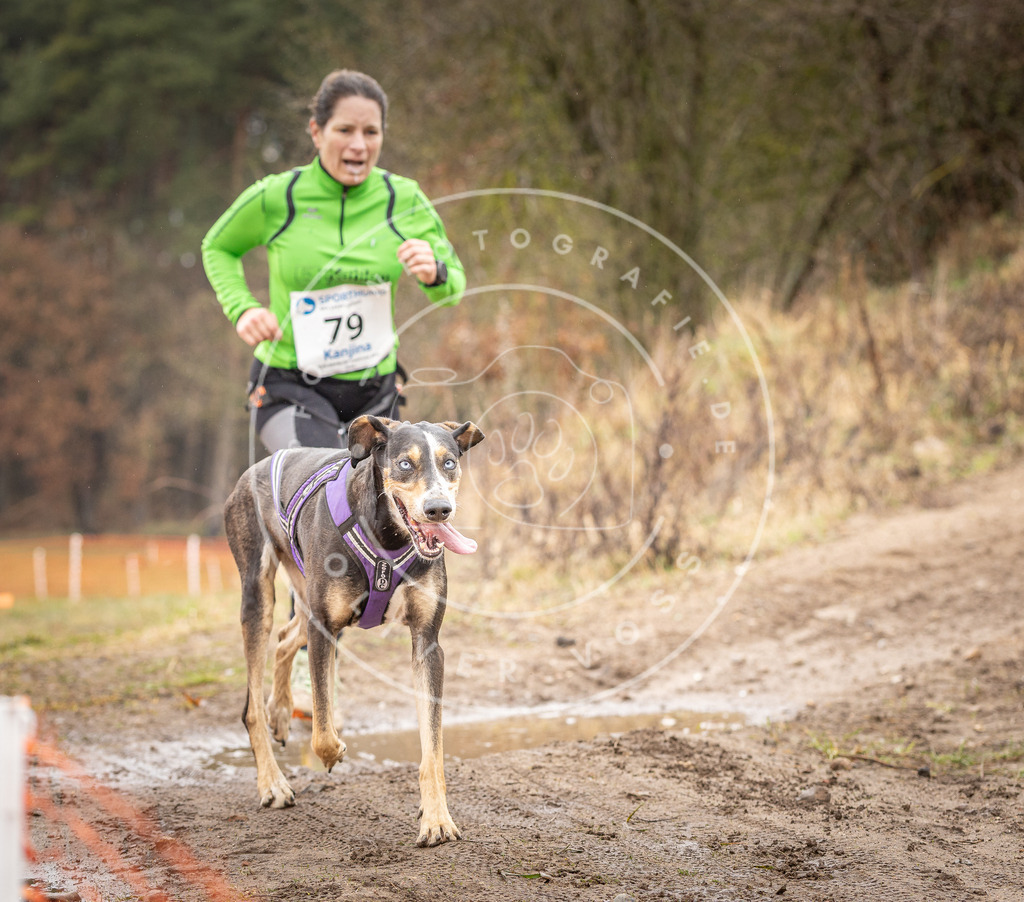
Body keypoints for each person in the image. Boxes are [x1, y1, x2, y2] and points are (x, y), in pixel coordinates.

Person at [202, 69, 465, 453]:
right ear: (317, 131)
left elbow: (453, 288)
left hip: (374, 390)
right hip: (290, 383)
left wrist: (434, 272)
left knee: (385, 492)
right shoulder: (279, 196)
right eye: (345, 130)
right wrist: (242, 308)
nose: (359, 145)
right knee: (325, 478)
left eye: (371, 132)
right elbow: (218, 247)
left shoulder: (403, 199)